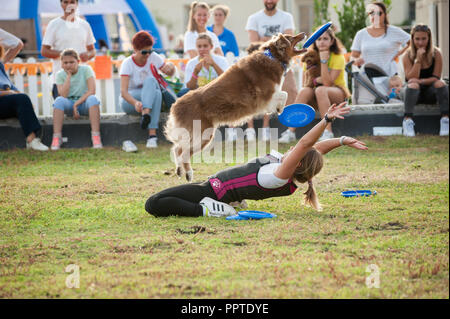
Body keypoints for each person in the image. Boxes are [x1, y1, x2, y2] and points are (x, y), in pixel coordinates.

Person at [145, 102, 368, 217]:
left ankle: (210, 211)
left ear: (298, 162)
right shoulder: (288, 169)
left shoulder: (279, 176)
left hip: (215, 193)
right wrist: (342, 140)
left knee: (154, 203)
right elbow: (315, 150)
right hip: (213, 188)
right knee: (168, 198)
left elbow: (305, 145)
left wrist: (326, 119)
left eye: (295, 152)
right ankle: (219, 206)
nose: (291, 147)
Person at [281, 28, 350, 143]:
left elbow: (328, 83)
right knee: (304, 91)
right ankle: (290, 131)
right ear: (315, 42)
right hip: (317, 94)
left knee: (321, 90)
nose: (322, 42)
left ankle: (328, 132)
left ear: (332, 41)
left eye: (325, 39)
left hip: (337, 93)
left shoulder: (338, 57)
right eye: (319, 39)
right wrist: (317, 80)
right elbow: (306, 84)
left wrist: (323, 61)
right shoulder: (309, 57)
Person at [245, 0, 297, 142]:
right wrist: (276, 41)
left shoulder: (286, 17)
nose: (269, 1)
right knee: (254, 93)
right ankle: (252, 130)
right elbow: (254, 44)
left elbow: (288, 42)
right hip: (261, 65)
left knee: (292, 92)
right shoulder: (254, 18)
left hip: (282, 64)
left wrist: (266, 40)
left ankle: (290, 130)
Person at [119, 31, 175, 149]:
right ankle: (152, 136)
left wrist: (171, 67)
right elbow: (123, 92)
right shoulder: (127, 63)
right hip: (130, 101)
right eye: (144, 52)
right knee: (155, 92)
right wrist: (135, 103)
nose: (147, 55)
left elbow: (169, 73)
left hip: (147, 102)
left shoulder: (153, 57)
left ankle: (147, 119)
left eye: (150, 51)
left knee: (154, 87)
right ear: (135, 49)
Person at [41, 0, 96, 99]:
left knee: (85, 112)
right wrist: (67, 56)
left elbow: (92, 50)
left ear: (77, 4)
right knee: (61, 111)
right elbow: (44, 51)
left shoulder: (85, 25)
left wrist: (88, 55)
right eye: (65, 2)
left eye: (72, 2)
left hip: (82, 80)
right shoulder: (53, 24)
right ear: (61, 4)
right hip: (60, 80)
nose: (69, 5)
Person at [402, 24, 449, 137]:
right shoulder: (407, 55)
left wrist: (421, 81)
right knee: (413, 85)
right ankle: (407, 120)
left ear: (429, 38)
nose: (420, 42)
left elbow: (436, 77)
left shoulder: (436, 53)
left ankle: (445, 119)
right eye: (417, 39)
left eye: (424, 39)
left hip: (430, 93)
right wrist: (418, 59)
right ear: (412, 39)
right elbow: (410, 78)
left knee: (441, 83)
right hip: (412, 94)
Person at [50, 49, 102, 150]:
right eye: (65, 63)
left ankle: (96, 136)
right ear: (61, 64)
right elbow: (63, 95)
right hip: (68, 104)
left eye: (71, 62)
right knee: (58, 101)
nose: (68, 65)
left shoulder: (86, 69)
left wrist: (76, 104)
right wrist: (68, 77)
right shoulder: (60, 75)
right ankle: (57, 137)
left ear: (78, 62)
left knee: (93, 99)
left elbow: (92, 90)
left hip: (84, 103)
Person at [0, 45, 48, 151]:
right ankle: (32, 141)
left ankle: (33, 141)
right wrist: (8, 93)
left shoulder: (0, 66)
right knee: (21, 99)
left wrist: (25, 100)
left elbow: (12, 88)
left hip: (5, 101)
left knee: (23, 99)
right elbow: (11, 91)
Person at [351, 2, 410, 77]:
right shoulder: (361, 34)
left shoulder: (394, 31)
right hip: (367, 78)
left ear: (385, 15)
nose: (375, 16)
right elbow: (353, 56)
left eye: (379, 13)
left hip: (390, 78)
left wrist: (399, 54)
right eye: (372, 13)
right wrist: (356, 60)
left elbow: (413, 42)